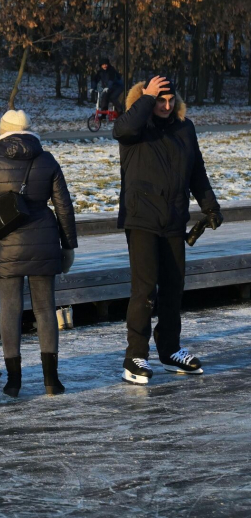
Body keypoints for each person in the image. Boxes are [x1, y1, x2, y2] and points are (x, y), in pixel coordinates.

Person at [114, 75, 223, 385]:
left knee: (173, 288)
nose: (165, 105)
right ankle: (135, 355)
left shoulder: (184, 129)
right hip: (142, 218)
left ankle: (170, 349)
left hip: (174, 218)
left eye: (169, 99)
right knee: (145, 290)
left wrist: (210, 206)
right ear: (146, 99)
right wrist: (145, 99)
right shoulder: (136, 128)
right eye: (158, 100)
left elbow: (196, 170)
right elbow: (120, 128)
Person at [0, 110, 78, 397]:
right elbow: (64, 206)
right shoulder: (47, 159)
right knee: (45, 310)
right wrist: (68, 245)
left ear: (4, 131)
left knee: (10, 310)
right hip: (43, 240)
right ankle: (51, 380)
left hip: (5, 243)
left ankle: (14, 381)